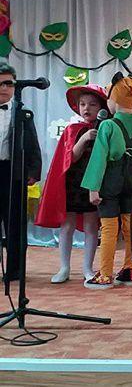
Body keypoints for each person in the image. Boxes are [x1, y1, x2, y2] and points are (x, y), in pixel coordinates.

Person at [82, 73, 132, 289]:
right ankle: (128, 270)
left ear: (115, 99)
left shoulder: (108, 126)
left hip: (111, 178)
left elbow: (99, 158)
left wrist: (93, 187)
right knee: (131, 225)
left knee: (109, 227)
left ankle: (105, 274)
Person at [36, 84, 108, 283]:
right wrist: (83, 139)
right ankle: (64, 267)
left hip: (93, 185)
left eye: (92, 104)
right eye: (83, 104)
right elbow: (70, 158)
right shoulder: (72, 129)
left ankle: (87, 268)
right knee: (67, 226)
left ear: (101, 107)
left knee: (91, 226)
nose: (87, 108)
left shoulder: (106, 128)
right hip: (73, 184)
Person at [0, 61, 42, 283]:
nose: (4, 88)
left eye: (8, 83)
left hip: (13, 171)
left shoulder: (23, 113)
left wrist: (34, 170)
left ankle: (15, 270)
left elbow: (33, 143)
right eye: (0, 84)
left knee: (15, 222)